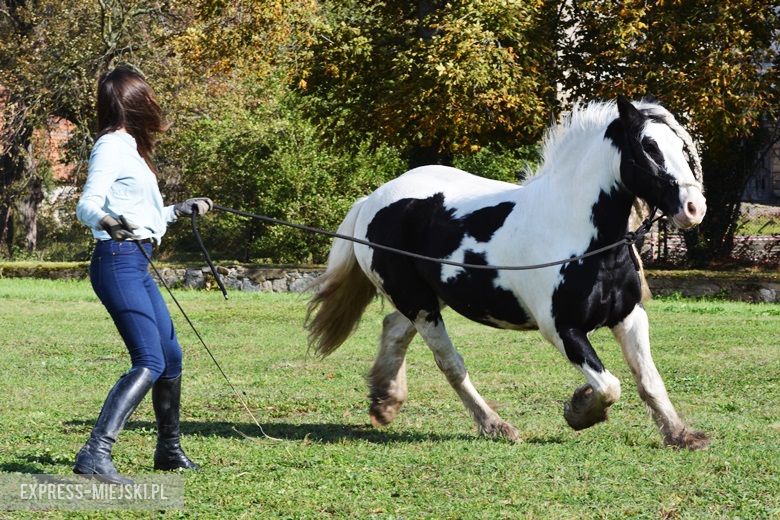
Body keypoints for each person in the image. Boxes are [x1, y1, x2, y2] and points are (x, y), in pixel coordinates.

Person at [74, 65, 210, 484]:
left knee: (170, 358)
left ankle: (168, 451)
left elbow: (145, 216)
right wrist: (108, 221)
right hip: (117, 261)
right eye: (147, 97)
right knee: (149, 360)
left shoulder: (131, 149)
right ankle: (95, 454)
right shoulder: (111, 146)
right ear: (136, 102)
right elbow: (86, 205)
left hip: (136, 260)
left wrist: (176, 210)